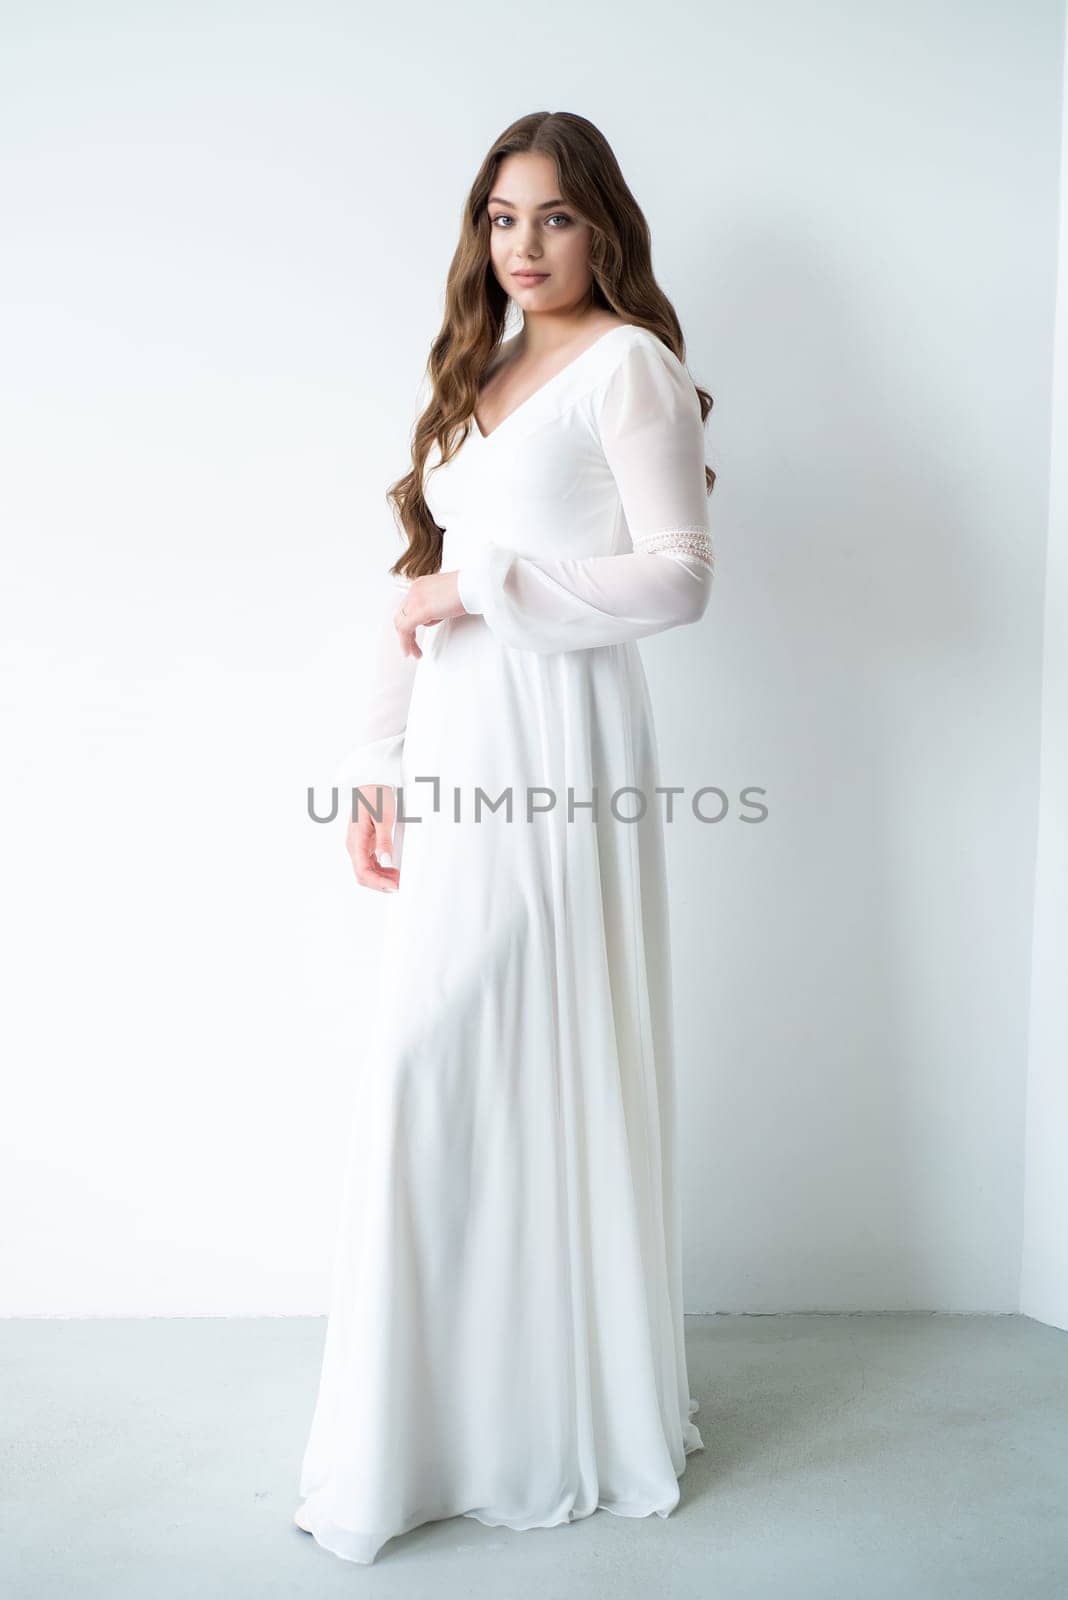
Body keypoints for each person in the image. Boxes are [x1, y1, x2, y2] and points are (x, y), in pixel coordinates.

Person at [295, 109, 717, 1566]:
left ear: (602, 224)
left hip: (563, 757)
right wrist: (378, 767)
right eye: (500, 217)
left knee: (470, 1056)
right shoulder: (476, 371)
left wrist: (492, 594)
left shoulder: (632, 368)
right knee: (457, 1070)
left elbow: (678, 582)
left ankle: (552, 1416)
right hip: (463, 750)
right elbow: (418, 582)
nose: (522, 246)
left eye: (550, 217)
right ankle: (451, 1425)